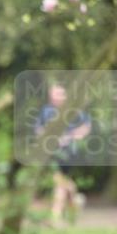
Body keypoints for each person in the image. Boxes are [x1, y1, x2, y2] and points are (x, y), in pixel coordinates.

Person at [35, 82, 91, 225]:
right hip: (52, 151)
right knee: (62, 181)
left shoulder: (73, 111)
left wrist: (71, 137)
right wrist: (49, 139)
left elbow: (86, 127)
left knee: (59, 180)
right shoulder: (46, 111)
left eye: (59, 94)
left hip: (69, 152)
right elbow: (38, 129)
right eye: (53, 94)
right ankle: (75, 205)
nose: (56, 97)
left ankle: (56, 216)